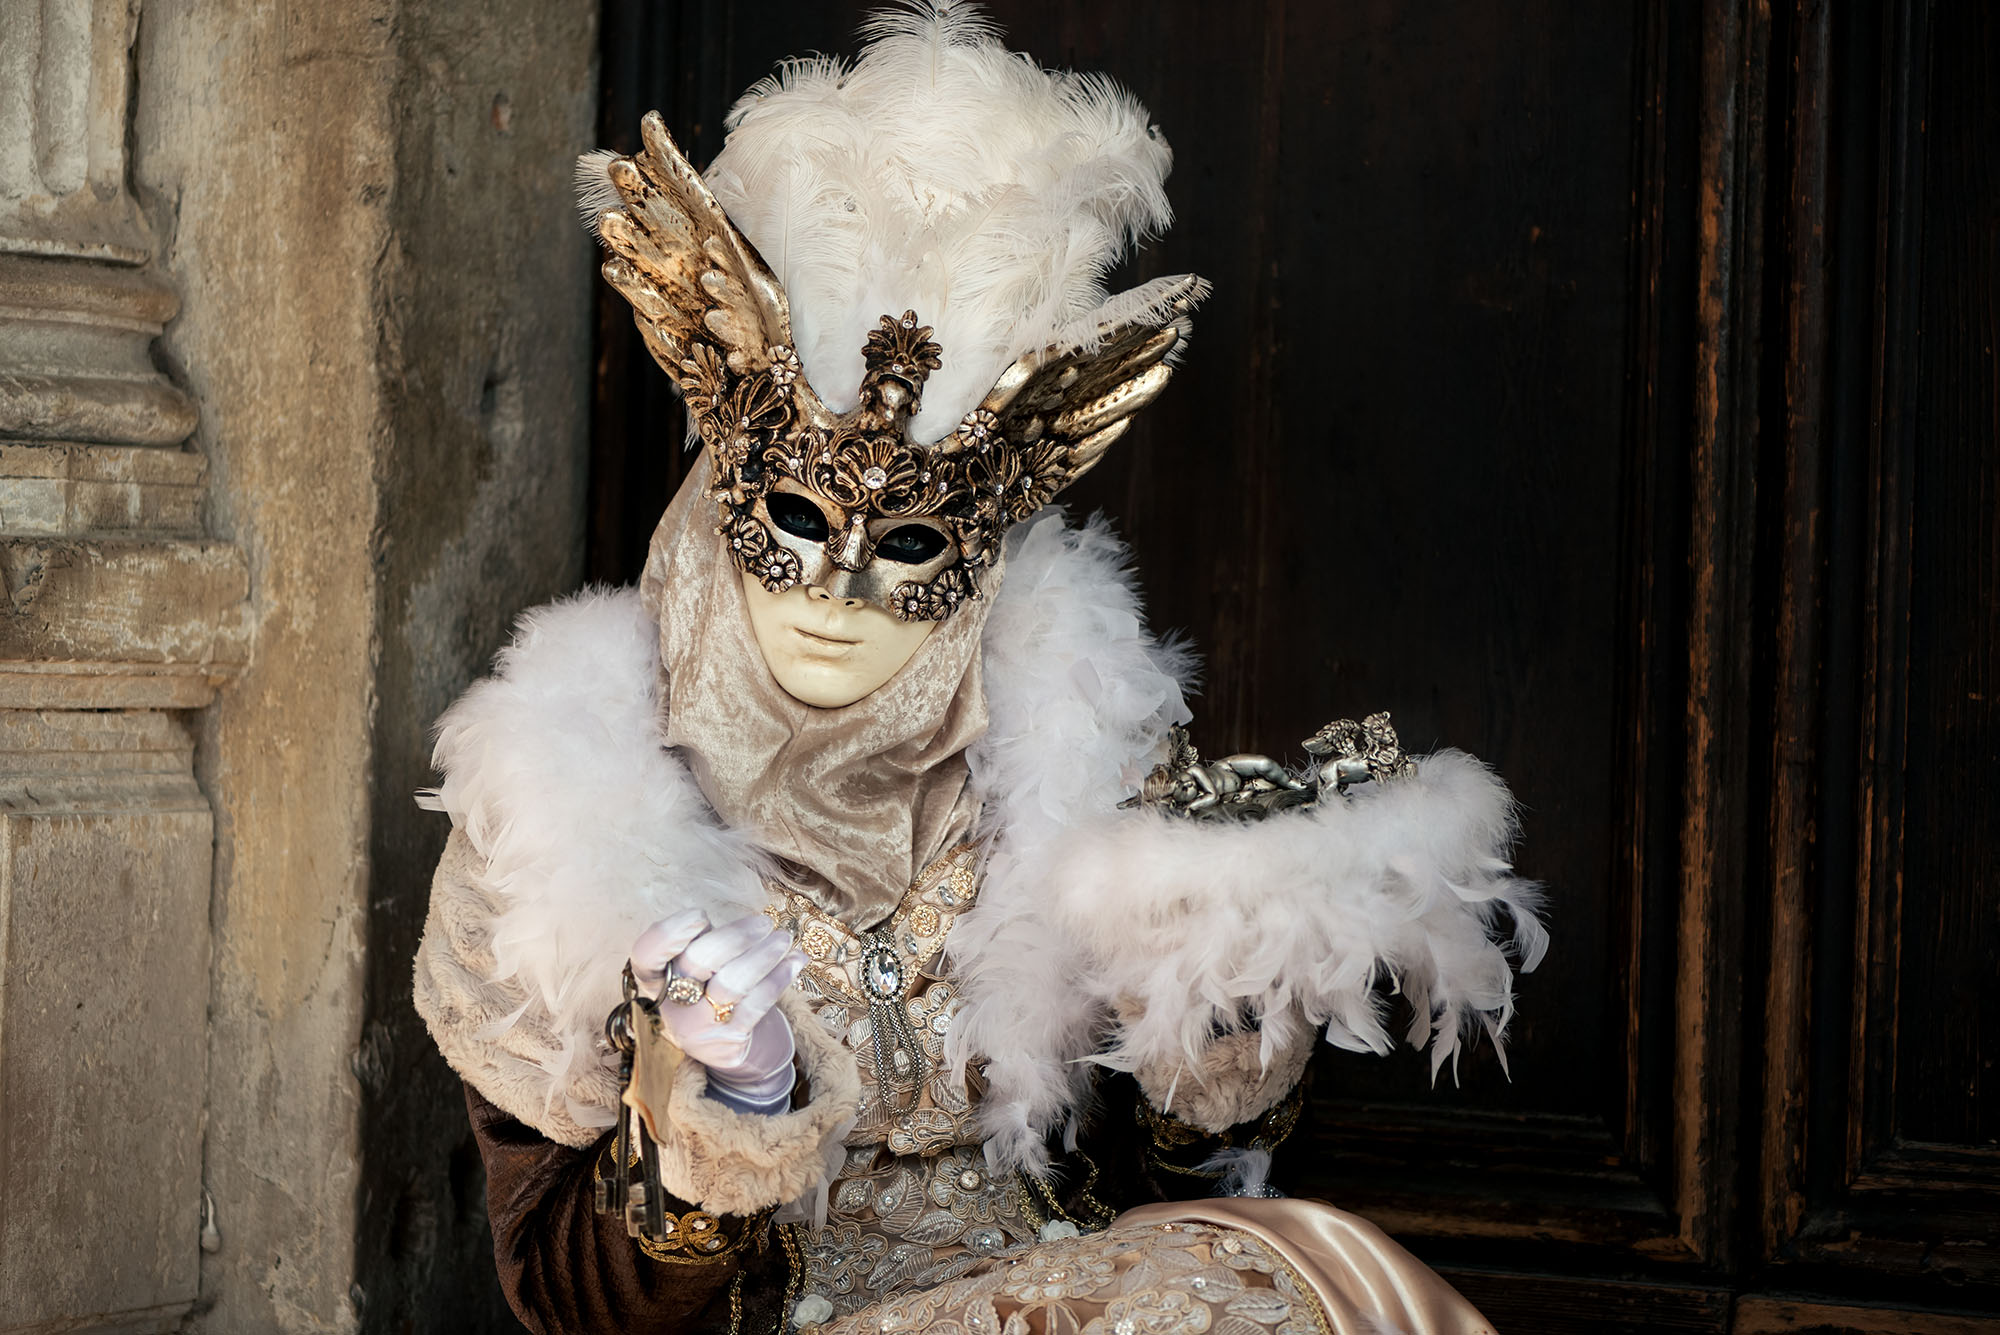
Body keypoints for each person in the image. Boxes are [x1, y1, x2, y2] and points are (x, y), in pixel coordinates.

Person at [414, 7, 1545, 1332]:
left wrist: (1218, 1021)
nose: (838, 597)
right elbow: (566, 1306)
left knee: (1282, 1264)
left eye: (906, 543)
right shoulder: (565, 816)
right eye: (792, 521)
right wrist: (730, 1111)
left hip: (1081, 1296)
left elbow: (1170, 1174)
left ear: (985, 551)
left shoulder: (1078, 744)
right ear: (725, 495)